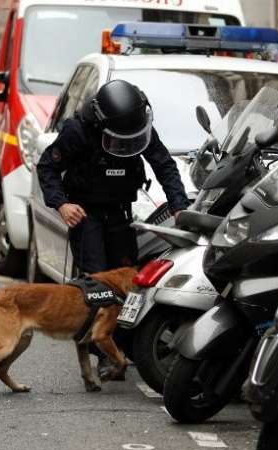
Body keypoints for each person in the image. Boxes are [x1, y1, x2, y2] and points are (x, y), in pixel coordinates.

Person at [37, 79, 190, 377]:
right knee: (97, 285)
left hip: (120, 213)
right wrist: (62, 205)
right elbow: (47, 168)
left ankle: (123, 344)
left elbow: (164, 164)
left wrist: (179, 204)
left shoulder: (137, 125)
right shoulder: (77, 131)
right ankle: (103, 353)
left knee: (127, 281)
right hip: (87, 214)